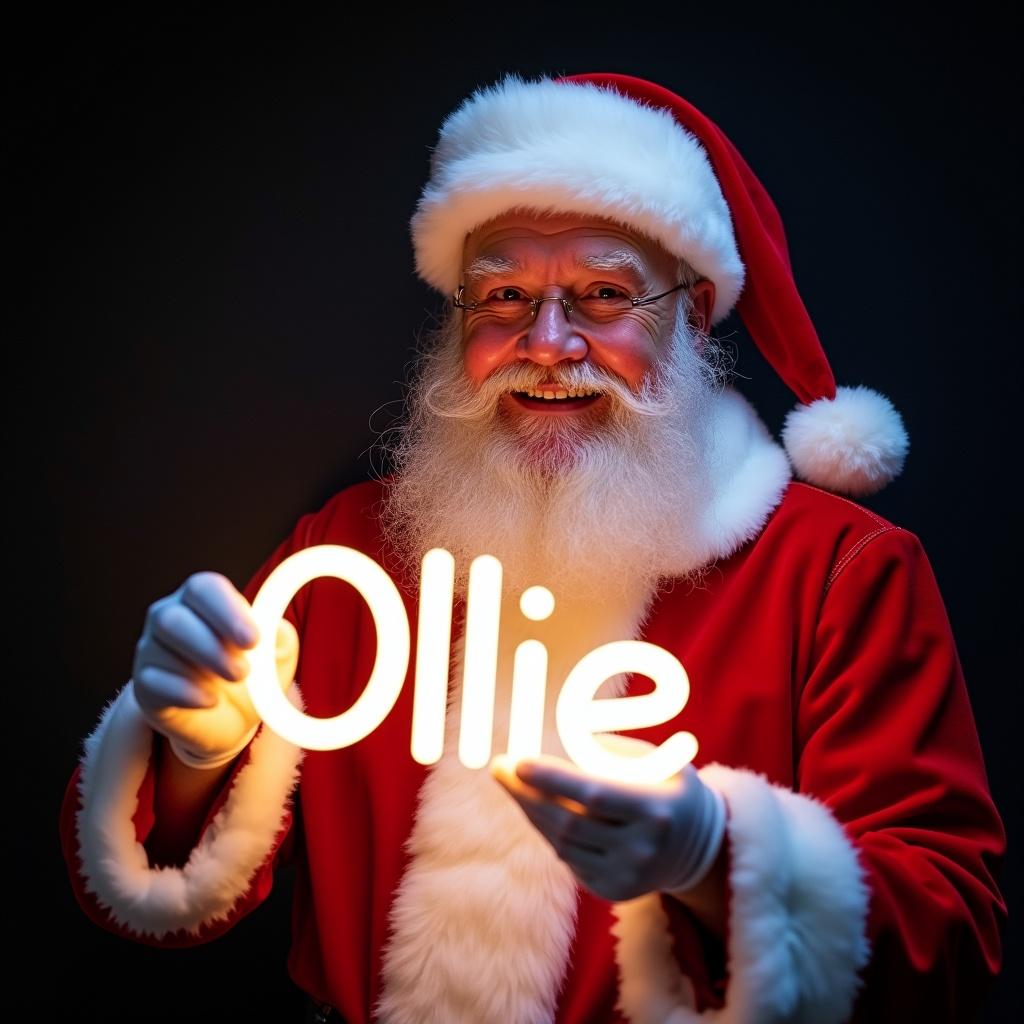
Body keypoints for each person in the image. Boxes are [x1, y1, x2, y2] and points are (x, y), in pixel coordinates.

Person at [59, 72, 1006, 1023]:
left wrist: (719, 862)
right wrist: (192, 751)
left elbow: (953, 947)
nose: (547, 342)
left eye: (603, 293)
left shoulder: (839, 573)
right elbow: (162, 892)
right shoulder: (348, 549)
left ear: (694, 315)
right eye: (504, 293)